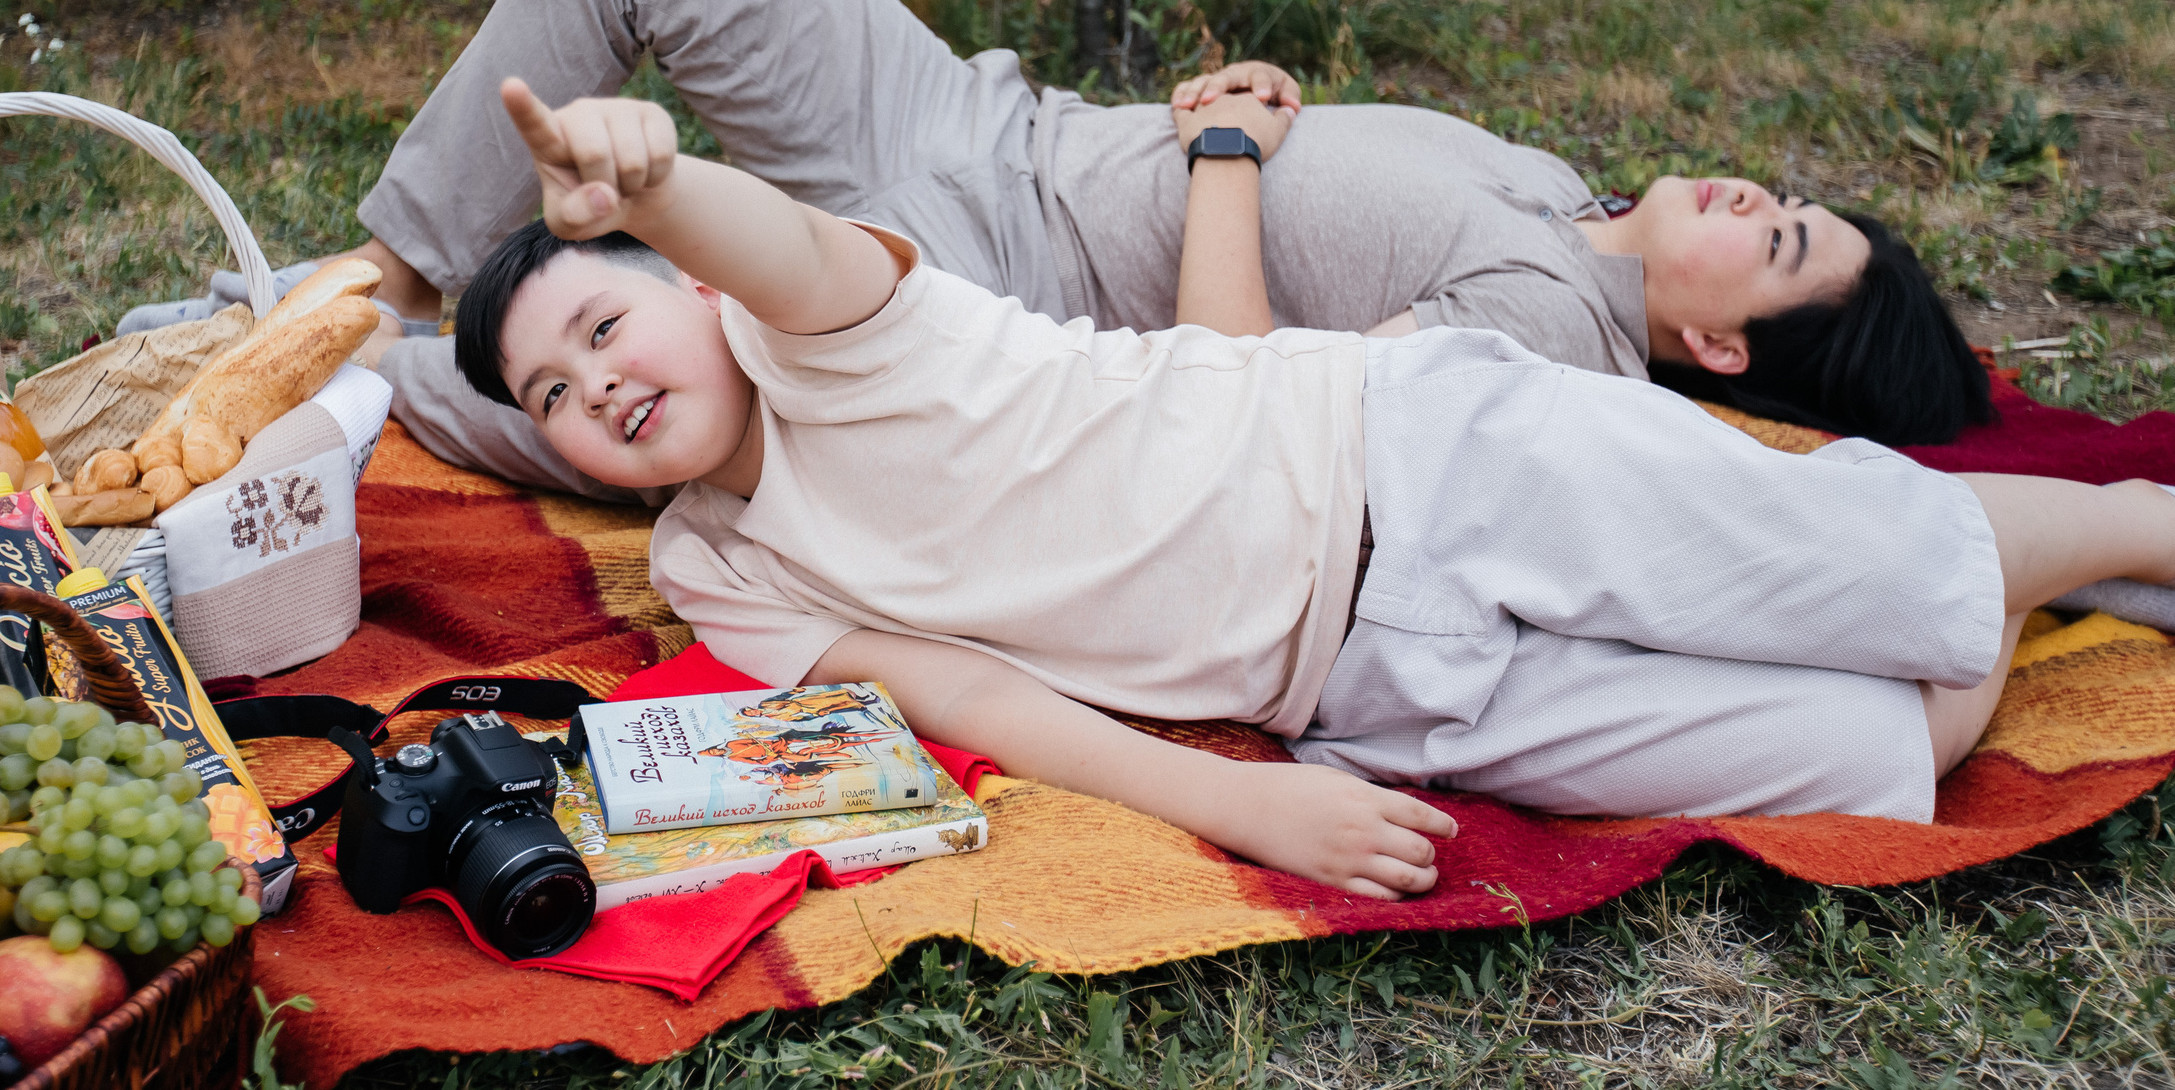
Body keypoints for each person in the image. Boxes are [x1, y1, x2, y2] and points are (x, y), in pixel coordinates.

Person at [452, 76, 2175, 897]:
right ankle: (1996, 590)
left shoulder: (826, 328)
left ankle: (2132, 536)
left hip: (1417, 458)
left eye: (602, 318)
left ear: (688, 293)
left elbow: (784, 242)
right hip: (1363, 689)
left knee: (1876, 557)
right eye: (554, 395)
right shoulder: (716, 567)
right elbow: (964, 691)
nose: (593, 383)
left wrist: (658, 184)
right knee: (1891, 749)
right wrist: (1248, 805)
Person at [124, 0, 1991, 497]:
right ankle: (368, 281)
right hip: (983, 111)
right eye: (1788, 191)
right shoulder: (1559, 187)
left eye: (1781, 242)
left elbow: (1249, 401)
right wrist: (1242, 101)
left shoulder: (1557, 343)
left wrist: (1241, 158)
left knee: (663, 390)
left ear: (1727, 356)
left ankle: (349, 380)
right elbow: (1299, 173)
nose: (1755, 196)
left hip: (986, 273)